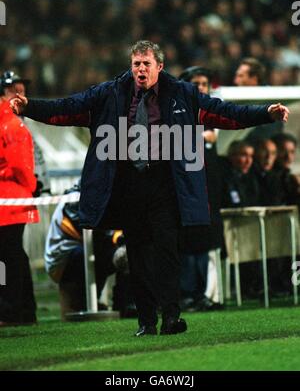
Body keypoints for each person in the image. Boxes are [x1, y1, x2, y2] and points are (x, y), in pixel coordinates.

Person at [11, 40, 289, 336]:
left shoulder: (183, 93)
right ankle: (146, 321)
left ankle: (171, 317)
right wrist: (31, 107)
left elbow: (226, 114)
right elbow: (67, 109)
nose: (140, 70)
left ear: (160, 66)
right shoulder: (110, 92)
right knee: (137, 253)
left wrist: (264, 114)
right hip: (128, 184)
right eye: (136, 64)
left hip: (165, 183)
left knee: (167, 250)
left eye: (146, 64)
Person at [45, 181, 136, 319]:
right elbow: (90, 231)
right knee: (112, 254)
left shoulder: (100, 194)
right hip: (63, 259)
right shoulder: (75, 199)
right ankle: (86, 304)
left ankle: (125, 304)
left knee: (124, 253)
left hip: (83, 250)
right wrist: (118, 237)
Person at [179, 66, 224, 311]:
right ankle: (186, 294)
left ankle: (202, 294)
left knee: (204, 245)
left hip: (208, 193)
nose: (201, 88)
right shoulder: (178, 112)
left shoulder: (212, 114)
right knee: (187, 245)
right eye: (196, 84)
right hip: (186, 193)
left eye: (204, 83)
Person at [0, 71, 39, 326]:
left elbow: (21, 167)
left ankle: (13, 311)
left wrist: (31, 185)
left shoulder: (11, 125)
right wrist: (32, 186)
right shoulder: (13, 124)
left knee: (9, 255)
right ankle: (24, 310)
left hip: (10, 198)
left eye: (21, 91)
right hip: (14, 196)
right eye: (15, 90)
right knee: (13, 254)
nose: (19, 95)